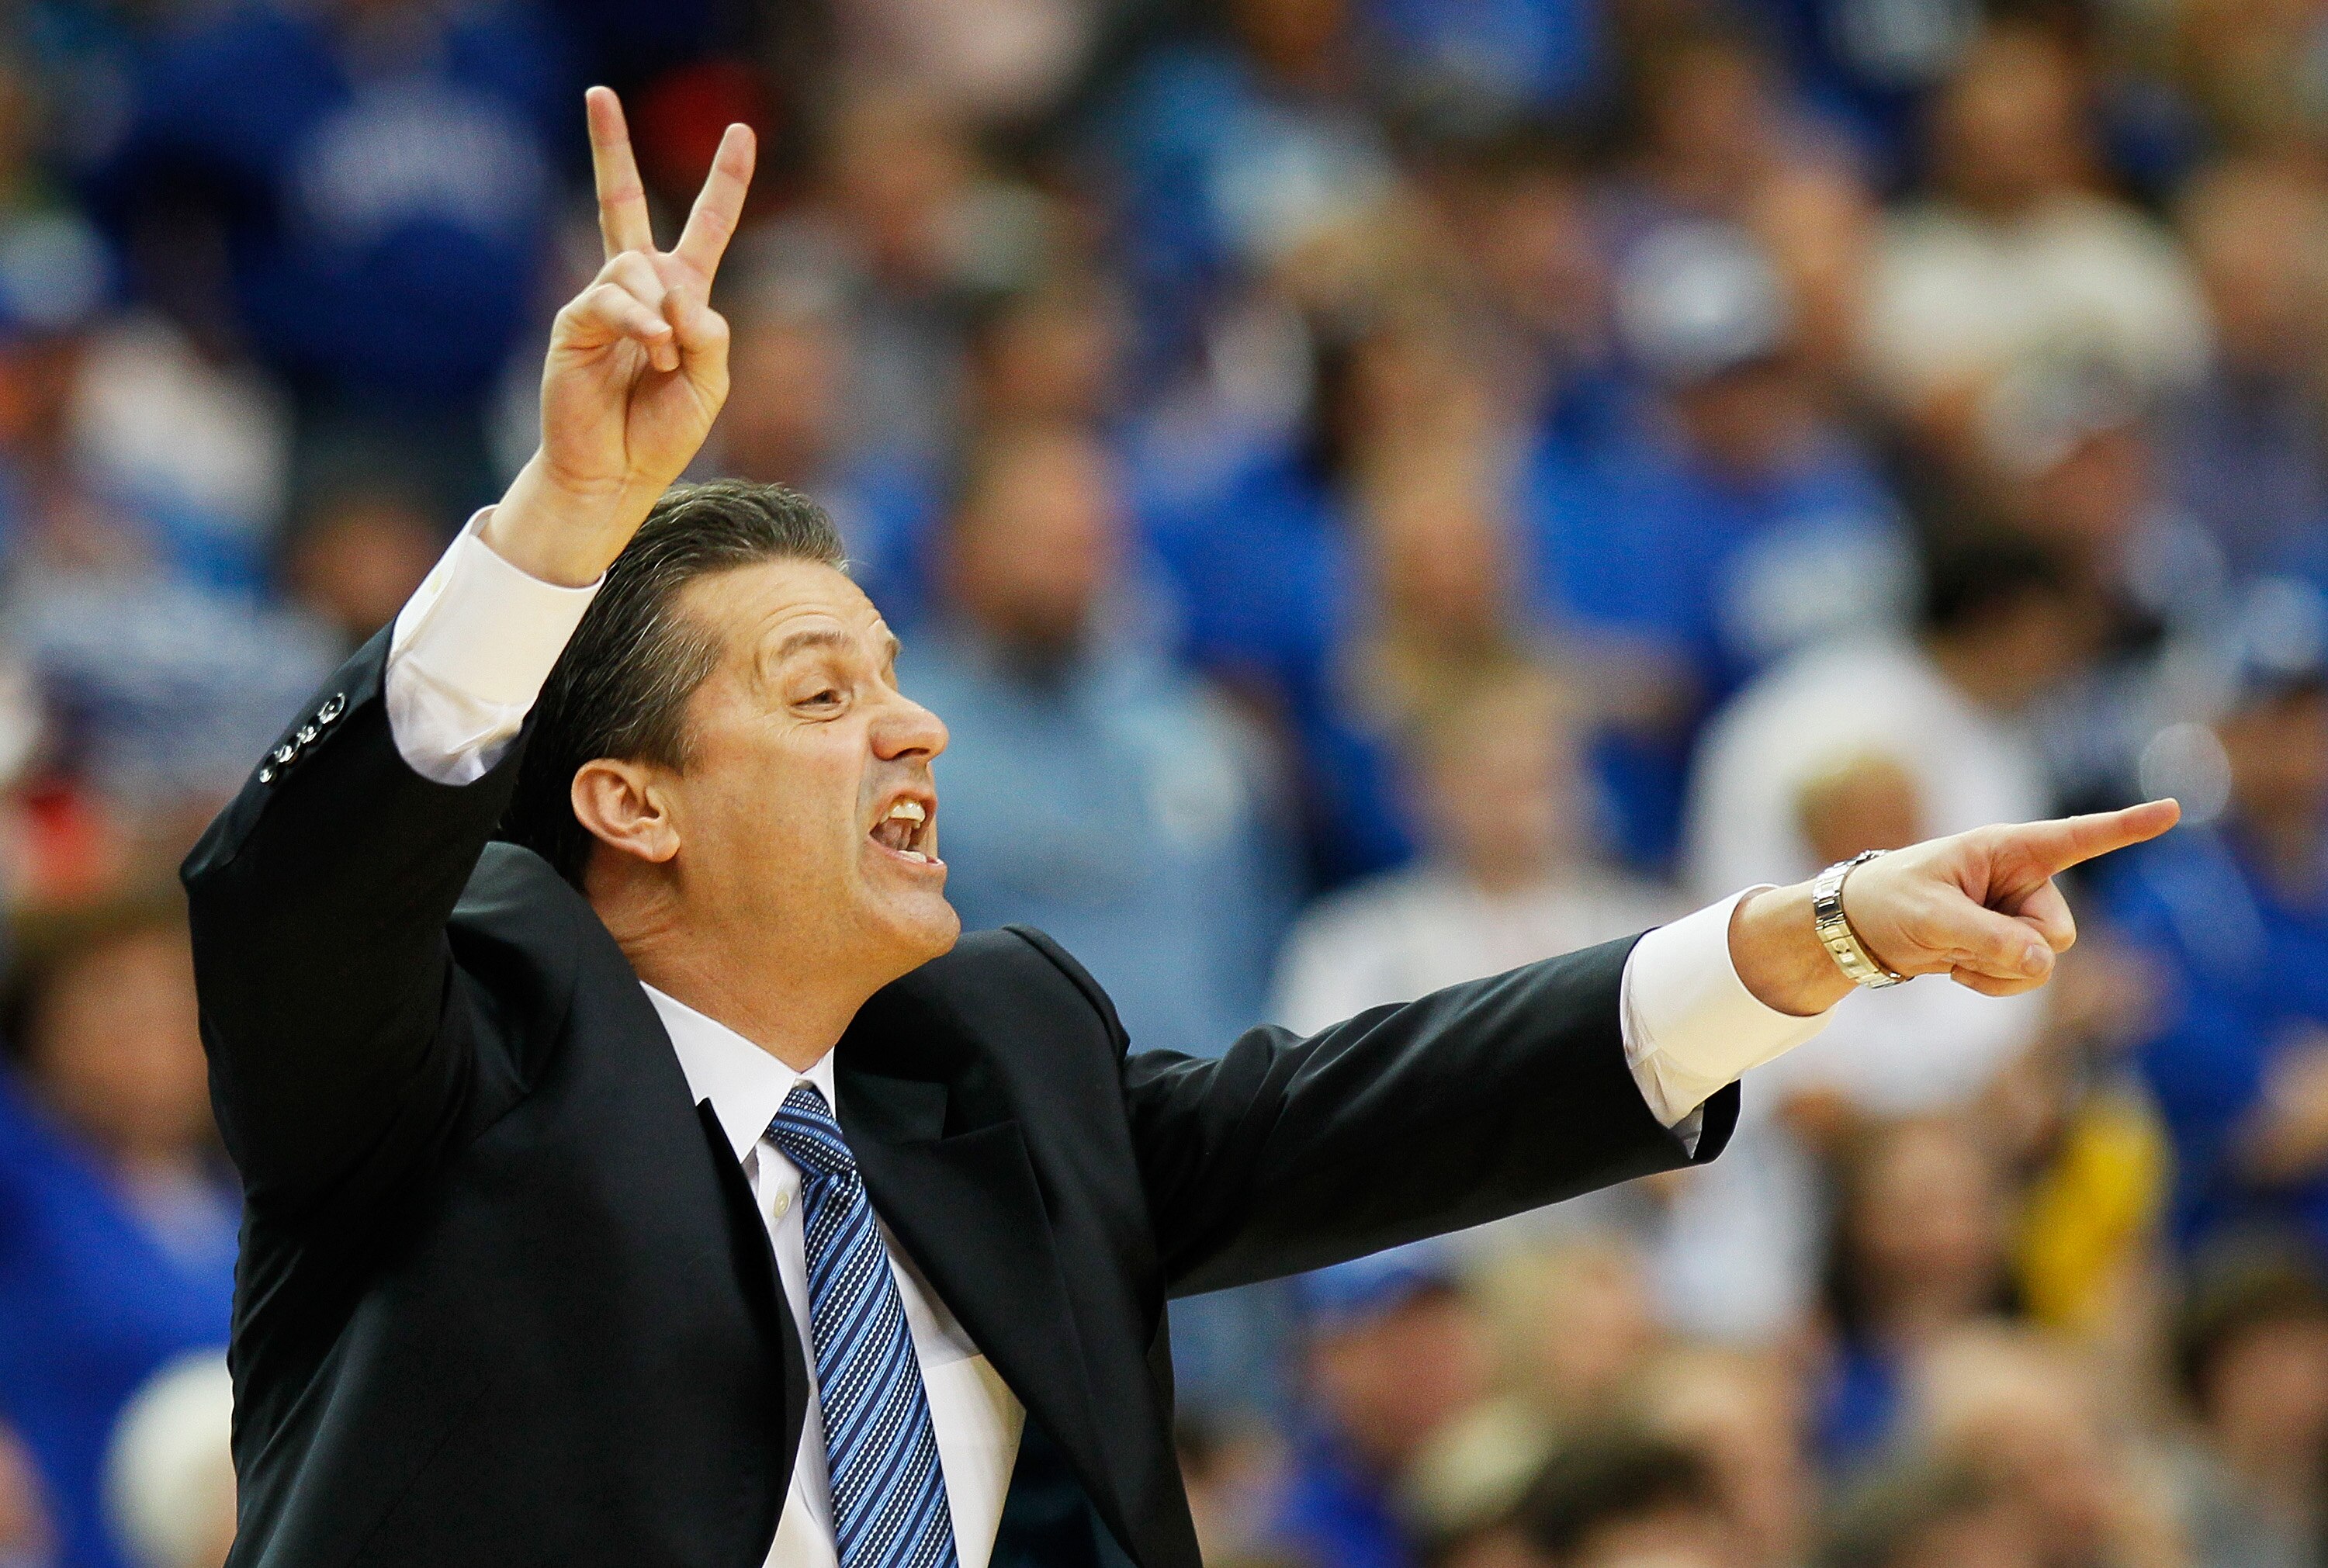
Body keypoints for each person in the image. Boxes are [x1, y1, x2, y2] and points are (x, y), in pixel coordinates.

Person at [180, 86, 2177, 1568]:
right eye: (817, 693)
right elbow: (298, 896)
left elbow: (1358, 1115)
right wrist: (562, 525)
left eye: (892, 675)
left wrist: (1811, 936)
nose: (913, 728)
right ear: (624, 803)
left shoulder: (990, 1054)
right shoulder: (454, 1053)